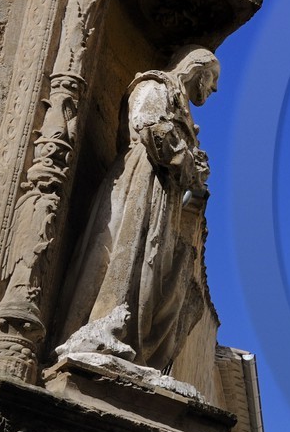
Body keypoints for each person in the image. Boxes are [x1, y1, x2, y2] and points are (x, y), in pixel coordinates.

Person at [55, 45, 218, 372]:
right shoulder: (155, 86)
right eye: (212, 78)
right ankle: (101, 328)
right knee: (127, 251)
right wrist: (187, 160)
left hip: (163, 192)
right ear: (196, 69)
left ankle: (131, 342)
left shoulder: (181, 106)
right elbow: (150, 127)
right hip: (140, 181)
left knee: (152, 263)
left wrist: (193, 165)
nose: (214, 88)